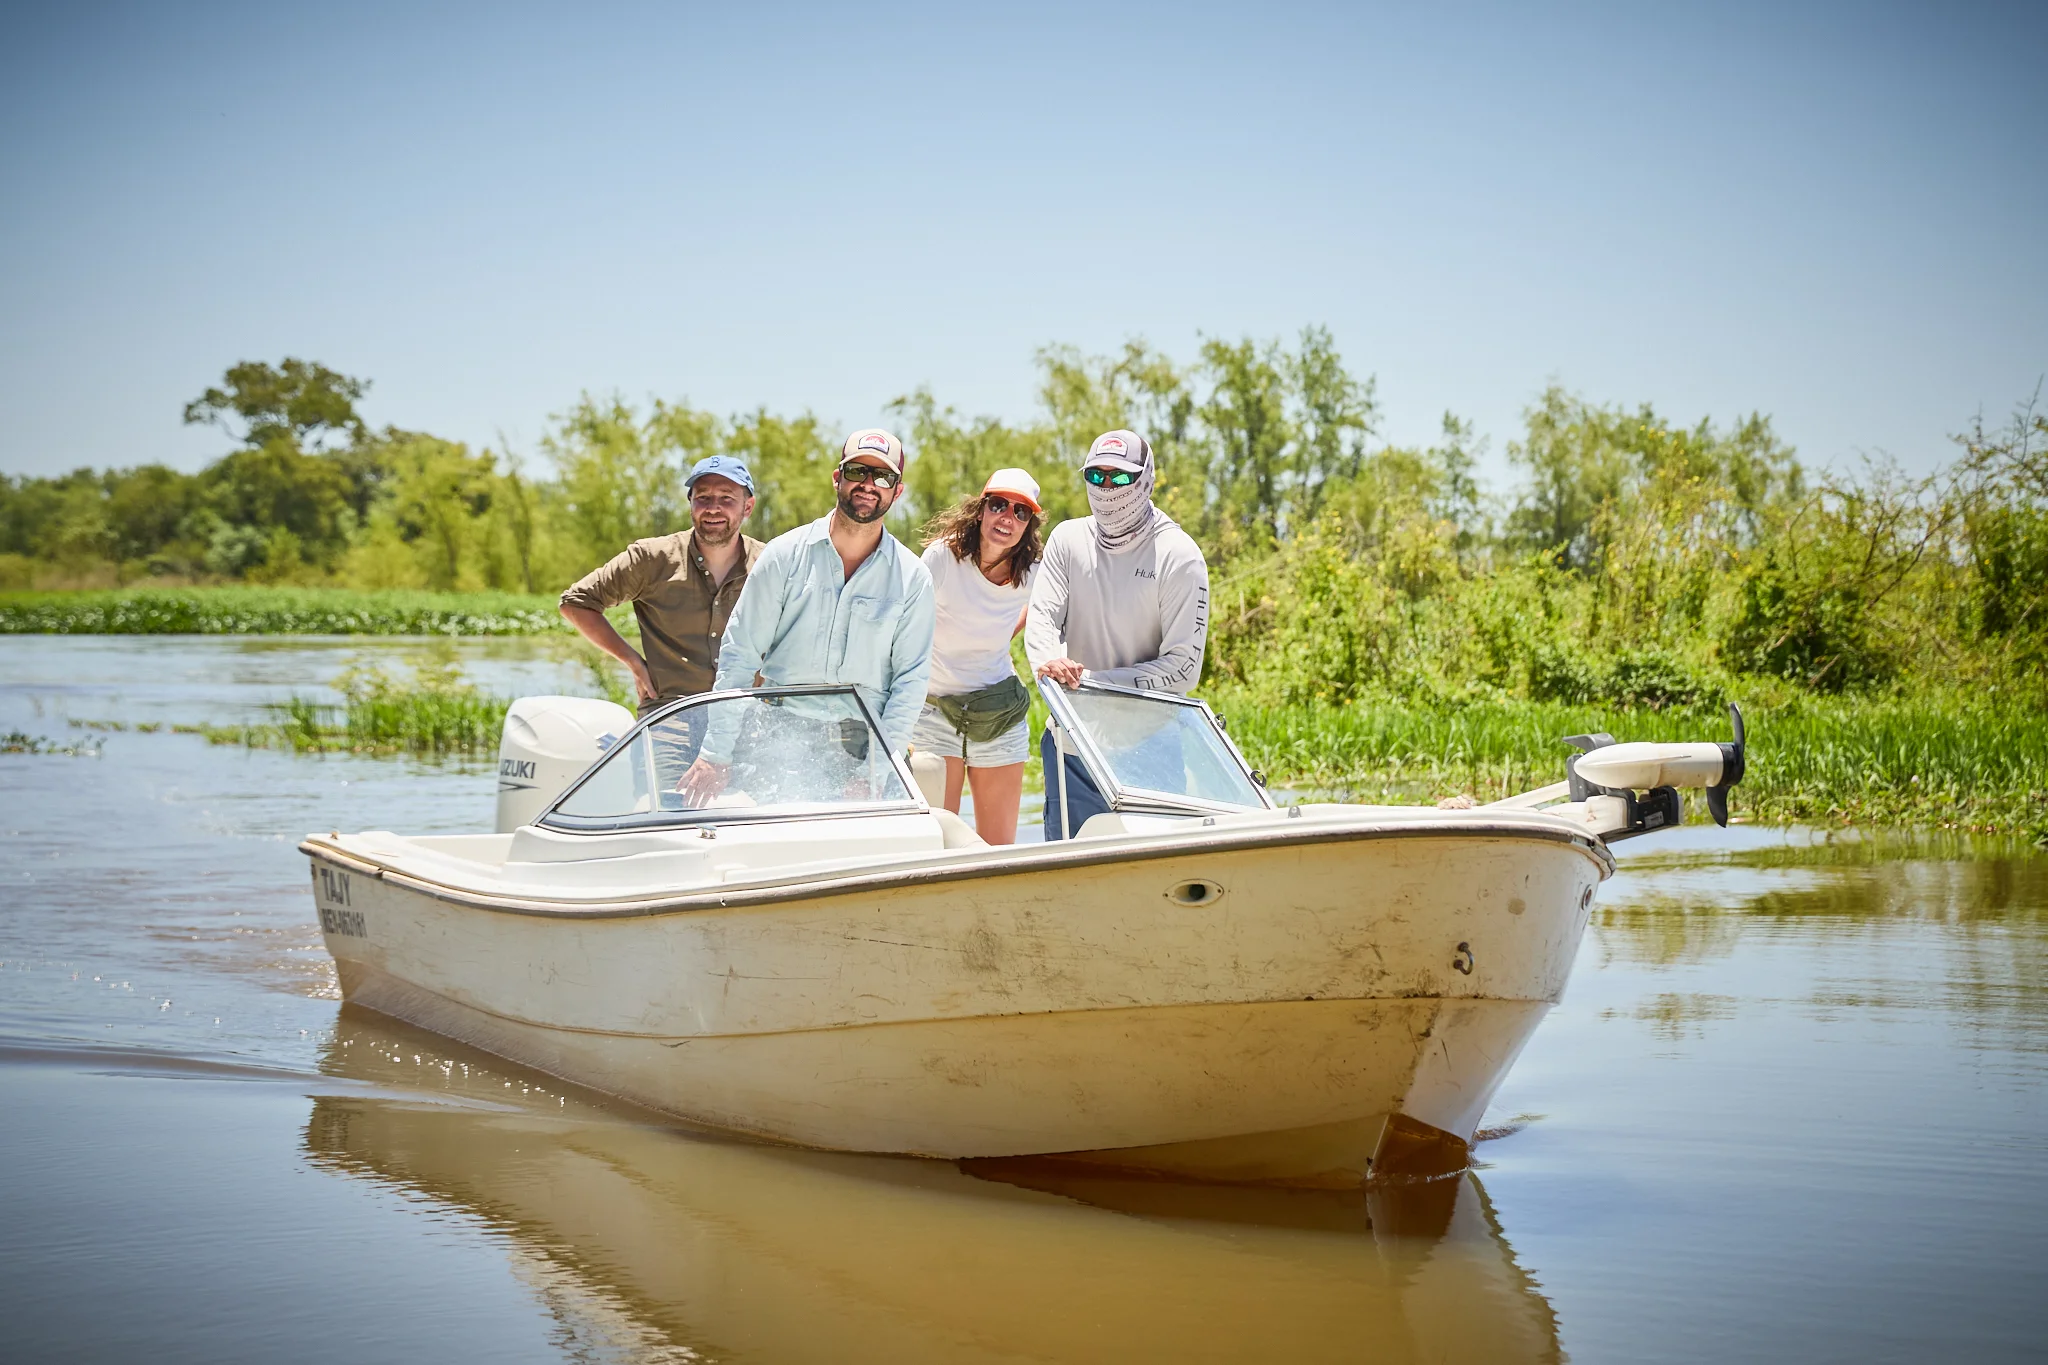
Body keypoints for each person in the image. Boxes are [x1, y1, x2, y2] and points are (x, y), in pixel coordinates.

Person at [677, 428, 935, 806]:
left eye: (883, 477)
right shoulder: (783, 555)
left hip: (870, 744)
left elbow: (910, 684)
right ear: (837, 478)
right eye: (857, 472)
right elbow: (739, 656)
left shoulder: (913, 577)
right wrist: (715, 754)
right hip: (782, 738)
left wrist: (875, 772)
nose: (868, 485)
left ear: (897, 491)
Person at [1025, 428, 1210, 840]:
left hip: (1151, 747)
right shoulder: (1066, 539)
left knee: (1154, 882)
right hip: (1070, 747)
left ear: (1147, 479)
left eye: (1121, 477)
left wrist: (1087, 684)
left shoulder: (1180, 556)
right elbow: (1041, 619)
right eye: (1096, 476)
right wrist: (1048, 664)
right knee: (1068, 881)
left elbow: (1183, 671)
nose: (1107, 488)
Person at [558, 454, 764, 715]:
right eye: (703, 497)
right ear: (690, 502)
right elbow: (576, 603)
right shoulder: (651, 558)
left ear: (747, 507)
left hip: (748, 718)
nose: (713, 508)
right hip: (669, 718)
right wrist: (633, 662)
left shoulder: (770, 564)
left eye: (726, 498)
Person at [910, 468, 1044, 844]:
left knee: (998, 852)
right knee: (934, 843)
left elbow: (1048, 610)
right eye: (999, 505)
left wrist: (1004, 633)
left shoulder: (1034, 570)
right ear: (981, 510)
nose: (1008, 518)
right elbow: (904, 625)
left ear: (1028, 523)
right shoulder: (942, 556)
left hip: (998, 712)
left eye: (1021, 512)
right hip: (933, 712)